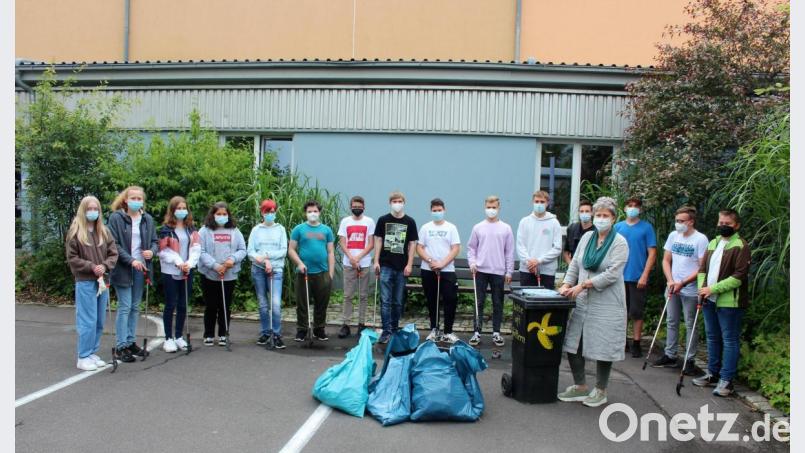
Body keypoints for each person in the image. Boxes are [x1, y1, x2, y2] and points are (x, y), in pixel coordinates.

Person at [557, 196, 629, 408]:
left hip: (607, 302)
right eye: (598, 215)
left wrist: (583, 285)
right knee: (573, 344)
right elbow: (575, 266)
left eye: (605, 215)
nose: (600, 219)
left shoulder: (619, 242)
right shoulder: (588, 237)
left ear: (613, 218)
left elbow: (612, 274)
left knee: (603, 347)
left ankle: (601, 390)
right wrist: (566, 284)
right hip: (583, 300)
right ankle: (580, 386)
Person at [692, 209, 751, 397]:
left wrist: (712, 289)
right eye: (721, 223)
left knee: (730, 341)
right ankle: (712, 374)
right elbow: (702, 269)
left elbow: (739, 277)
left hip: (730, 303)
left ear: (737, 226)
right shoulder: (713, 242)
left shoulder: (741, 245)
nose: (723, 226)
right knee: (712, 338)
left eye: (728, 224)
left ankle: (727, 380)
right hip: (709, 299)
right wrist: (702, 289)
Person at [652, 206, 709, 373]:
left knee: (690, 323)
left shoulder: (700, 239)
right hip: (672, 285)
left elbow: (701, 267)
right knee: (671, 320)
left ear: (691, 222)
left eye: (681, 221)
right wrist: (670, 280)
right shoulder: (673, 235)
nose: (678, 224)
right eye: (677, 221)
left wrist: (682, 282)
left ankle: (689, 359)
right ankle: (670, 355)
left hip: (690, 288)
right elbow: (665, 260)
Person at [66, 196, 119, 371]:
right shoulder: (76, 231)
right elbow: (72, 258)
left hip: (102, 281)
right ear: (83, 210)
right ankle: (83, 356)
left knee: (98, 321)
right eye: (89, 209)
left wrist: (104, 266)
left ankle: (91, 352)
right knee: (87, 320)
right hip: (85, 282)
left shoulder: (103, 231)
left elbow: (113, 253)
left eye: (96, 209)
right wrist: (91, 267)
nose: (93, 212)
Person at [108, 186, 158, 363]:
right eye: (133, 198)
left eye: (139, 198)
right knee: (125, 306)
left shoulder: (147, 219)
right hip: (124, 268)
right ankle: (121, 345)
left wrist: (151, 252)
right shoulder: (116, 218)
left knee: (135, 307)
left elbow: (154, 241)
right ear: (125, 200)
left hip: (141, 269)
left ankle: (130, 342)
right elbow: (113, 244)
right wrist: (131, 260)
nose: (137, 201)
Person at [466, 195, 515, 347]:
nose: (491, 210)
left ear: (499, 208)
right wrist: (472, 263)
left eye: (494, 207)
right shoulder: (478, 227)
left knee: (497, 303)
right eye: (488, 207)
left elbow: (509, 252)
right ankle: (477, 332)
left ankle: (496, 333)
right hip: (480, 271)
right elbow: (471, 248)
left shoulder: (506, 228)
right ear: (484, 207)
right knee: (478, 302)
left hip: (498, 271)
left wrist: (509, 271)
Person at [198, 202, 247, 347]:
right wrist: (214, 265)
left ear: (228, 215)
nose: (221, 216)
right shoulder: (204, 231)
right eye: (218, 214)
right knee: (211, 305)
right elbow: (200, 251)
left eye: (224, 214)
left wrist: (233, 259)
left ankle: (223, 334)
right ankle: (208, 334)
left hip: (229, 274)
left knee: (225, 305)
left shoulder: (234, 230)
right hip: (209, 274)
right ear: (212, 215)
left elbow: (242, 250)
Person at [614, 197, 657, 358]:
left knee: (636, 311)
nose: (632, 208)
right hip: (619, 276)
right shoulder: (618, 227)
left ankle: (636, 342)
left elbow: (652, 253)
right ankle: (621, 341)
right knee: (621, 310)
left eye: (635, 206)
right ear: (624, 208)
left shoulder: (646, 228)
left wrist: (645, 274)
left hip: (637, 275)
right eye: (629, 206)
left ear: (640, 209)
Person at [373, 191, 418, 344]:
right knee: (385, 301)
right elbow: (378, 240)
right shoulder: (383, 220)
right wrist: (376, 261)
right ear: (390, 203)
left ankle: (394, 327)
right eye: (394, 201)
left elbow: (412, 244)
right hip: (386, 265)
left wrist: (410, 264)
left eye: (399, 201)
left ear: (404, 202)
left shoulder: (410, 221)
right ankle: (386, 331)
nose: (397, 203)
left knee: (398, 301)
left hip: (401, 267)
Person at [158, 196, 201, 353]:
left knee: (183, 304)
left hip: (187, 270)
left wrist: (188, 264)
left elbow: (196, 249)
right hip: (171, 271)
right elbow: (163, 252)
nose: (181, 211)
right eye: (178, 208)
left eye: (184, 208)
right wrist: (178, 262)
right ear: (172, 210)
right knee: (170, 304)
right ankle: (168, 338)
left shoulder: (192, 229)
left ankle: (178, 337)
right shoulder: (166, 229)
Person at [288, 200, 335, 342]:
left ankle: (319, 329)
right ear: (305, 213)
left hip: (322, 273)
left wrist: (331, 274)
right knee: (302, 303)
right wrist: (299, 263)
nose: (312, 214)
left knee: (322, 303)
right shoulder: (299, 229)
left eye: (315, 211)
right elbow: (291, 250)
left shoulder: (326, 230)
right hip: (304, 273)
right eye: (309, 211)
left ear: (319, 212)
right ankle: (302, 329)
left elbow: (331, 252)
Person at [416, 198, 461, 343]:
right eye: (434, 211)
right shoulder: (425, 228)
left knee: (450, 299)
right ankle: (434, 329)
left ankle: (448, 331)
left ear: (444, 210)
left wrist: (442, 263)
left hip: (447, 270)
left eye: (439, 210)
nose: (437, 213)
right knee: (432, 300)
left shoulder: (451, 228)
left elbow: (455, 248)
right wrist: (430, 261)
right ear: (431, 211)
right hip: (428, 270)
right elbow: (419, 248)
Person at [247, 199, 288, 349]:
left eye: (273, 211)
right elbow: (250, 251)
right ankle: (265, 331)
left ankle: (276, 333)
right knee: (263, 304)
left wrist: (266, 256)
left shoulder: (280, 229)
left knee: (275, 304)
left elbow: (283, 250)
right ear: (262, 212)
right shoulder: (256, 230)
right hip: (258, 269)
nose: (270, 214)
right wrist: (263, 261)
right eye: (267, 211)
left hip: (276, 270)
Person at [336, 196, 375, 338]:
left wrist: (358, 257)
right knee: (347, 295)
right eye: (354, 206)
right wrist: (352, 258)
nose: (357, 208)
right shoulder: (345, 221)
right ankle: (345, 324)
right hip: (349, 263)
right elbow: (342, 242)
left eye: (359, 206)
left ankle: (361, 324)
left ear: (364, 207)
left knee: (363, 295)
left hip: (364, 263)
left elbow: (371, 243)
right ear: (350, 206)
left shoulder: (369, 221)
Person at [516, 190, 562, 289]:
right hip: (527, 269)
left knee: (545, 303)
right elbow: (520, 245)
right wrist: (530, 262)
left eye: (542, 202)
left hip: (547, 271)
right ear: (533, 202)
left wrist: (539, 261)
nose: (539, 204)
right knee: (527, 301)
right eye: (536, 201)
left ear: (547, 203)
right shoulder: (524, 222)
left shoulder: (554, 223)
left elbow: (557, 248)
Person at [564, 200, 595, 265]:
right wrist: (571, 267)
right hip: (573, 268)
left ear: (592, 213)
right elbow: (566, 252)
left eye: (587, 211)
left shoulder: (596, 231)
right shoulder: (572, 228)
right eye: (581, 211)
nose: (584, 213)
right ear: (578, 213)